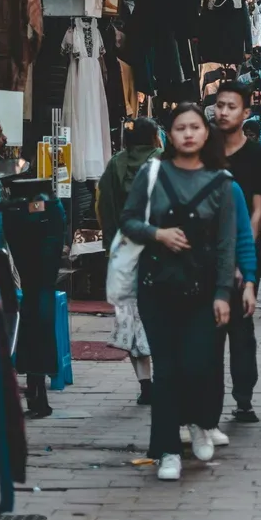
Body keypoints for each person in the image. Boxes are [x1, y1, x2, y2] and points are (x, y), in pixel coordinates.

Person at [119, 103, 239, 481]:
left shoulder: (221, 182)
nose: (188, 134)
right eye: (180, 128)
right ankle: (168, 450)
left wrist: (223, 292)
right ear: (168, 136)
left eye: (194, 127)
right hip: (158, 287)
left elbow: (226, 244)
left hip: (203, 289)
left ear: (206, 133)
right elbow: (128, 221)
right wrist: (157, 234)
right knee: (167, 371)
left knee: (198, 363)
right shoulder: (151, 174)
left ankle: (202, 422)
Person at [209, 81, 261, 422]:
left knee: (241, 332)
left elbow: (258, 210)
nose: (223, 112)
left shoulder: (258, 156)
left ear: (245, 113)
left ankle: (243, 397)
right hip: (206, 258)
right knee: (209, 333)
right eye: (219, 105)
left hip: (243, 257)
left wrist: (241, 259)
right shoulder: (203, 150)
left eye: (231, 106)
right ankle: (209, 402)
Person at [99, 117, 163, 404]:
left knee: (131, 317)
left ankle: (145, 385)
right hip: (161, 249)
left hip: (125, 250)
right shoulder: (163, 160)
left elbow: (106, 208)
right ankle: (165, 378)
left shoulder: (116, 164)